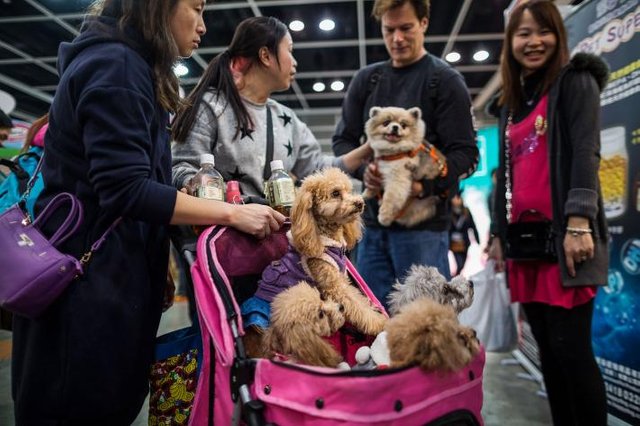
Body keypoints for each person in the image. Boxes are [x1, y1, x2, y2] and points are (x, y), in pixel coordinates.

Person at [11, 1, 285, 424]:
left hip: (103, 281)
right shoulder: (116, 68)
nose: (203, 25)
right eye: (195, 8)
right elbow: (126, 189)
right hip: (86, 295)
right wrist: (229, 214)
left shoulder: (127, 65)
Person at [486, 1, 609, 424]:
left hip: (567, 243)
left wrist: (579, 222)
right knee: (549, 358)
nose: (533, 41)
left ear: (558, 34)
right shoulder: (512, 104)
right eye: (523, 33)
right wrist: (498, 234)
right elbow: (505, 174)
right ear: (510, 42)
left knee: (573, 355)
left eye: (543, 31)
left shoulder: (575, 82)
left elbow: (586, 154)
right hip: (526, 246)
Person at [331, 0, 478, 308]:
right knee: (369, 323)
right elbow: (342, 141)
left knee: (425, 325)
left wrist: (420, 186)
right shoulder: (367, 80)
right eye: (389, 30)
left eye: (406, 28)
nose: (397, 38)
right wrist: (364, 172)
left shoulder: (445, 81)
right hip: (370, 229)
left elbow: (466, 155)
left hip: (423, 230)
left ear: (424, 23)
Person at [171, 16, 373, 198]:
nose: (294, 62)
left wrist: (369, 148)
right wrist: (200, 188)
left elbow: (319, 170)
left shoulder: (287, 119)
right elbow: (181, 167)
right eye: (290, 51)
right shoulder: (211, 106)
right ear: (266, 56)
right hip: (220, 233)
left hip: (274, 233)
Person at [449, 192, 479, 276]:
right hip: (453, 244)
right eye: (454, 198)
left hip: (464, 243)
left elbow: (473, 226)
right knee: (458, 263)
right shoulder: (449, 212)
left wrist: (478, 241)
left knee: (462, 264)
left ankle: (456, 277)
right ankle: (455, 278)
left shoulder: (466, 211)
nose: (456, 200)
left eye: (458, 198)